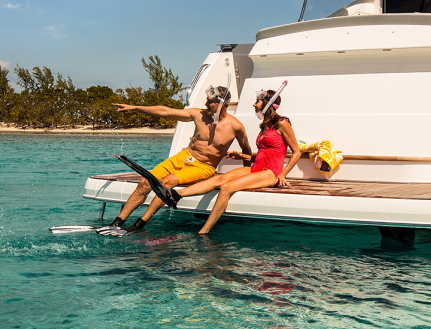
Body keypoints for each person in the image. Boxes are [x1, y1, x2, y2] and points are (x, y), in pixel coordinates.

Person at [99, 86, 251, 235]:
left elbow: (246, 150)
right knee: (145, 182)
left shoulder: (236, 127)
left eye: (210, 101)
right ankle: (117, 223)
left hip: (204, 166)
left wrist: (246, 175)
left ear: (222, 103)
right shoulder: (199, 114)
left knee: (168, 181)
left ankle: (139, 224)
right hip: (183, 157)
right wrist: (135, 108)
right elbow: (165, 111)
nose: (206, 104)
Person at [176, 89, 301, 234]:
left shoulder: (282, 123)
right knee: (218, 179)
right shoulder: (265, 126)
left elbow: (296, 152)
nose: (254, 104)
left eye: (257, 101)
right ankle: (176, 195)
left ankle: (204, 231)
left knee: (226, 187)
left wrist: (283, 174)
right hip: (257, 167)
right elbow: (265, 154)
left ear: (267, 104)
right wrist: (242, 156)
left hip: (271, 172)